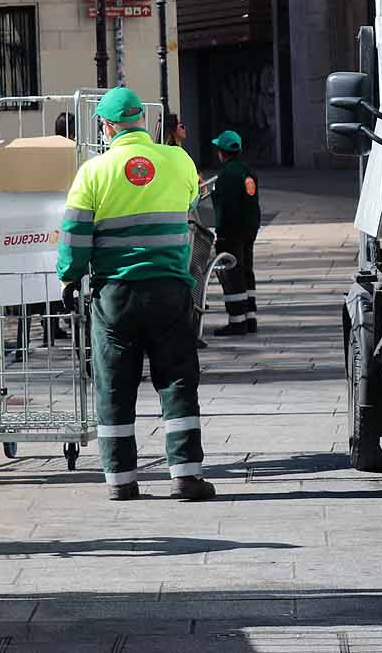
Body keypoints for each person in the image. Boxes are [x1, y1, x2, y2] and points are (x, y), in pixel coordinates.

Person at [56, 87, 215, 502]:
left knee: (114, 384)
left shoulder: (93, 172)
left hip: (115, 295)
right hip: (169, 288)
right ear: (143, 120)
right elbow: (191, 199)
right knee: (178, 378)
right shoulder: (177, 160)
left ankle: (121, 480)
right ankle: (185, 475)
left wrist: (69, 276)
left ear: (105, 126)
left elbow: (74, 236)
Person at [209, 131, 261, 337]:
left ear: (222, 152)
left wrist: (219, 234)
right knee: (247, 270)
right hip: (249, 229)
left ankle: (236, 321)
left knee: (232, 274)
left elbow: (224, 208)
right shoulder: (248, 172)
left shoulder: (226, 175)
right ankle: (250, 318)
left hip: (231, 231)